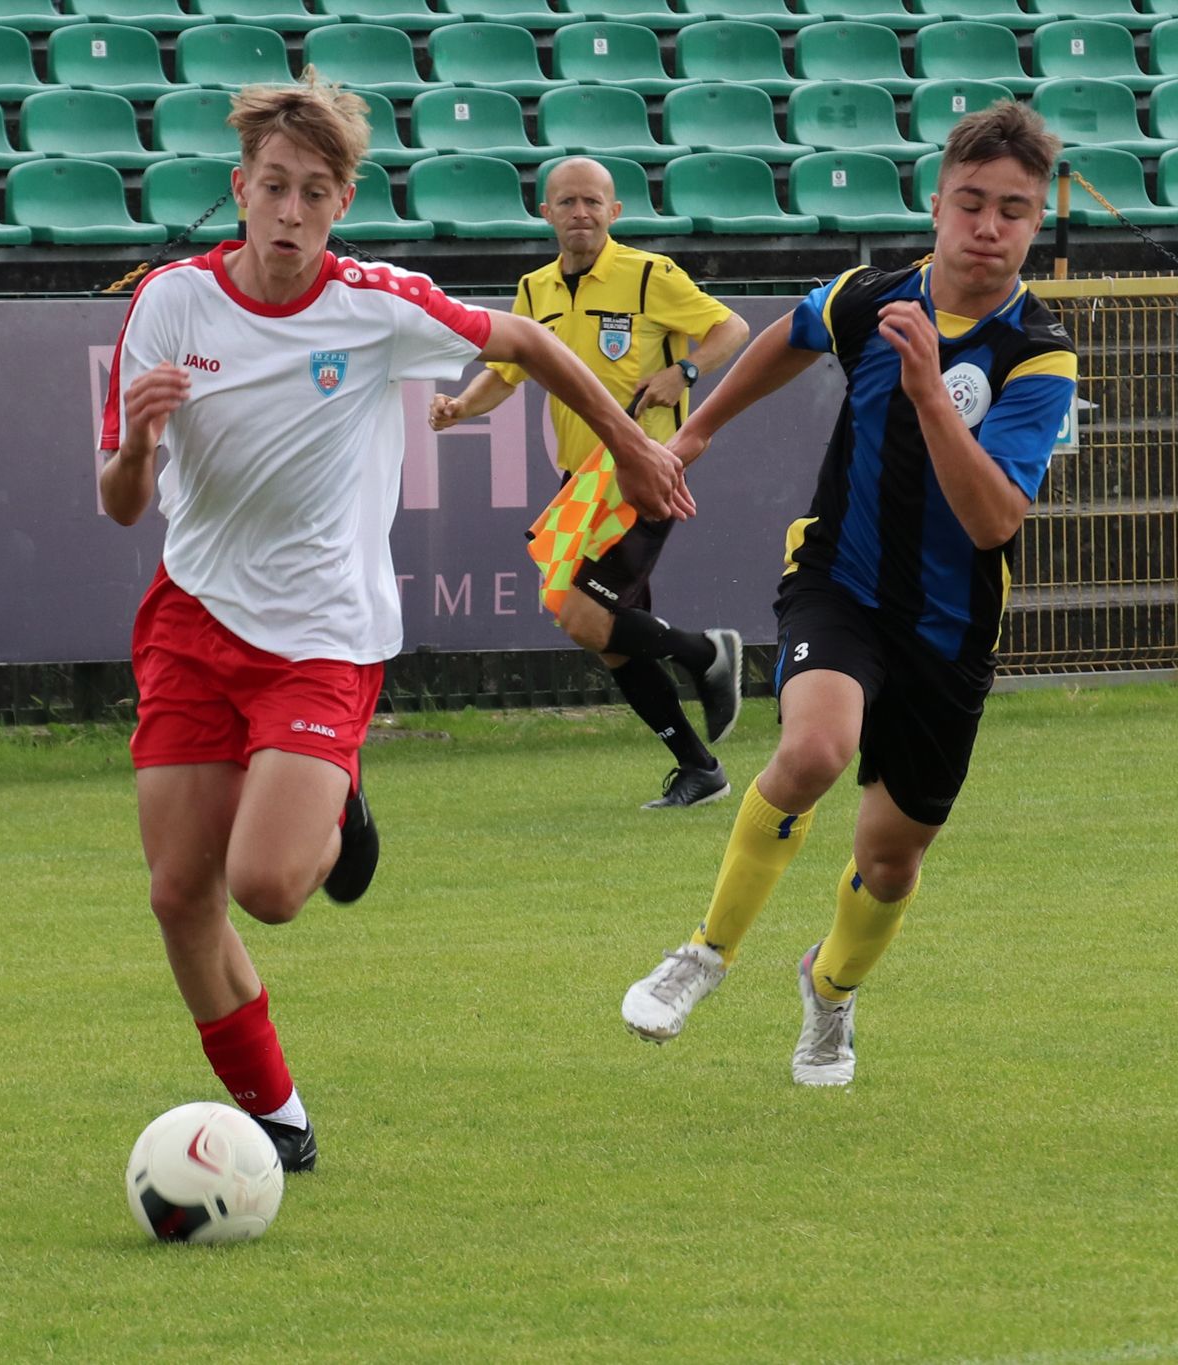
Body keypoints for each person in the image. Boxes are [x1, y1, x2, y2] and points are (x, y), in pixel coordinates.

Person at [97, 77, 692, 1172]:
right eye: (273, 186)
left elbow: (524, 339)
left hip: (323, 633)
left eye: (313, 193)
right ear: (240, 188)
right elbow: (122, 502)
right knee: (180, 894)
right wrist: (136, 445)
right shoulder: (172, 303)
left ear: (342, 203)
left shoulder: (375, 303)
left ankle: (338, 797)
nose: (289, 211)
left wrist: (629, 442)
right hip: (191, 621)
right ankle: (278, 1119)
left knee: (267, 889)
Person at [618, 101, 1078, 1086]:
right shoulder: (871, 297)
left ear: (1036, 222)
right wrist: (695, 432)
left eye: (1012, 210)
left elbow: (993, 520)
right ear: (936, 204)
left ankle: (827, 991)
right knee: (815, 749)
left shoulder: (1037, 353)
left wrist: (929, 394)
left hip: (949, 629)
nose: (988, 227)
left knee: (890, 861)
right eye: (971, 203)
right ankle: (703, 953)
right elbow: (791, 333)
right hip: (839, 583)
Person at [428, 158, 753, 810]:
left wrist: (685, 372)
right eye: (568, 202)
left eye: (593, 202)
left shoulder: (649, 275)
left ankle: (706, 653)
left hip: (643, 472)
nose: (581, 212)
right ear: (545, 212)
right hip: (579, 483)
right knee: (608, 637)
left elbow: (732, 329)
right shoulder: (534, 289)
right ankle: (700, 768)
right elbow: (509, 370)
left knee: (580, 615)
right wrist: (461, 406)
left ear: (614, 211)